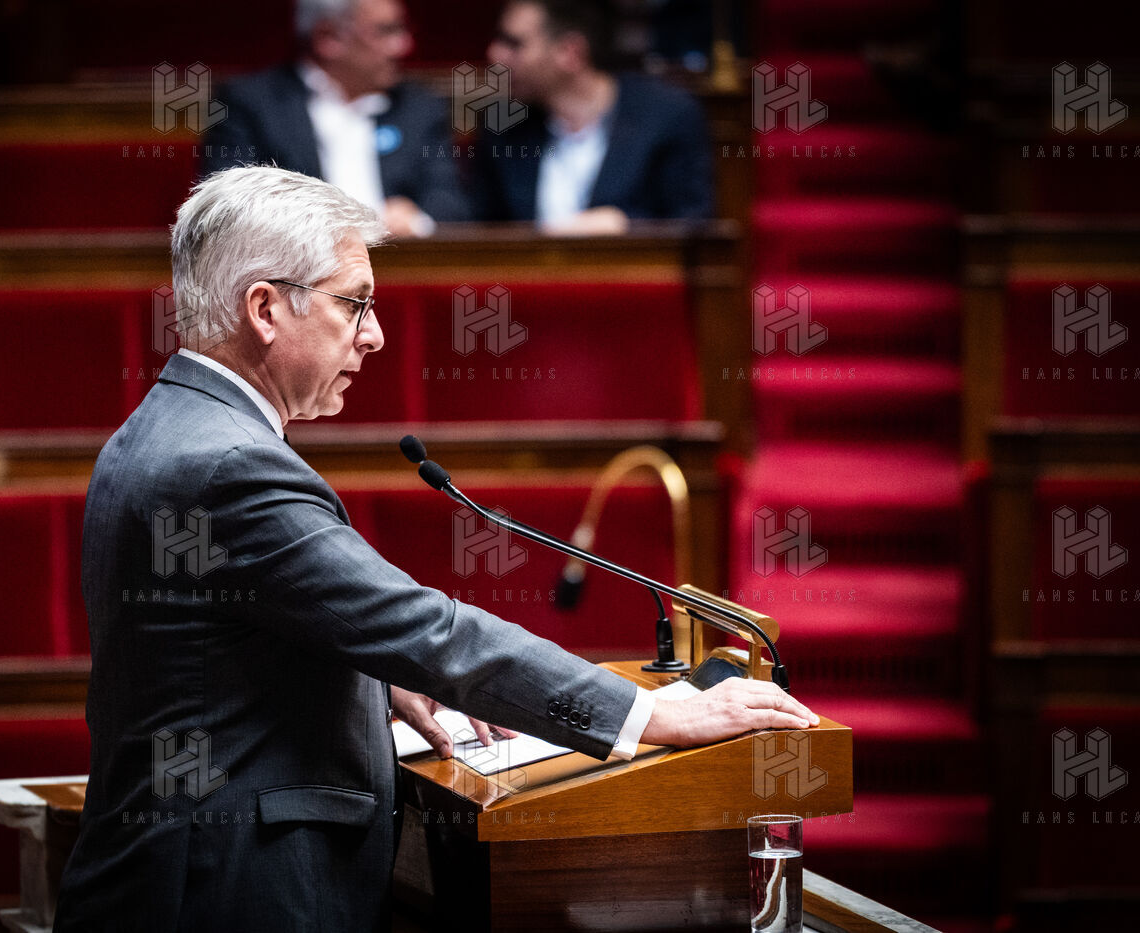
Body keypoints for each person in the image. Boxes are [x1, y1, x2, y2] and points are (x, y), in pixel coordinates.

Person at [53, 166, 816, 932]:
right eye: (355, 302)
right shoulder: (229, 466)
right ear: (265, 308)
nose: (374, 333)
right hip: (222, 893)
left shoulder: (157, 430)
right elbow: (427, 629)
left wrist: (368, 684)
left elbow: (208, 649)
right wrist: (652, 714)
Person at [199, 0, 467, 237]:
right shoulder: (252, 104)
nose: (404, 46)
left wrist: (418, 221)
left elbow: (450, 201)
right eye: (385, 31)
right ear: (328, 38)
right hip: (297, 267)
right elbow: (226, 208)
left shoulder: (419, 107)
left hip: (399, 260)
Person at [472, 0, 714, 232]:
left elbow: (694, 223)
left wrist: (626, 225)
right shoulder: (504, 128)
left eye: (514, 44)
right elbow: (480, 230)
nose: (494, 53)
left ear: (570, 52)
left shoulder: (666, 116)